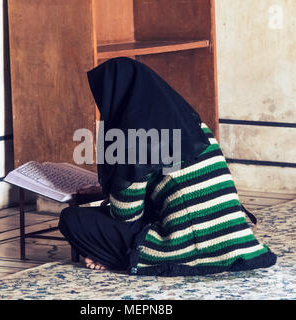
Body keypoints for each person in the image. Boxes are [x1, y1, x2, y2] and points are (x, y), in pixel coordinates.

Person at [58, 57, 277, 276]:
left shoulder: (135, 135)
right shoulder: (191, 121)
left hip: (188, 243)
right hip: (235, 237)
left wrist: (113, 190)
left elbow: (126, 215)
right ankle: (114, 257)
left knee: (73, 219)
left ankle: (121, 260)